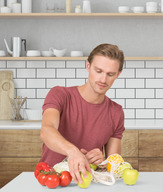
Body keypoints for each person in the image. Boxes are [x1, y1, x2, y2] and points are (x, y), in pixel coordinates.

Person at [39, 44, 125, 184]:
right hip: (53, 181)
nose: (103, 80)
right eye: (98, 71)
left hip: (89, 183)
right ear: (88, 66)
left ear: (118, 74)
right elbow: (46, 130)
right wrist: (73, 152)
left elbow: (114, 164)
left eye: (110, 74)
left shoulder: (116, 112)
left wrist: (102, 161)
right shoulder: (60, 95)